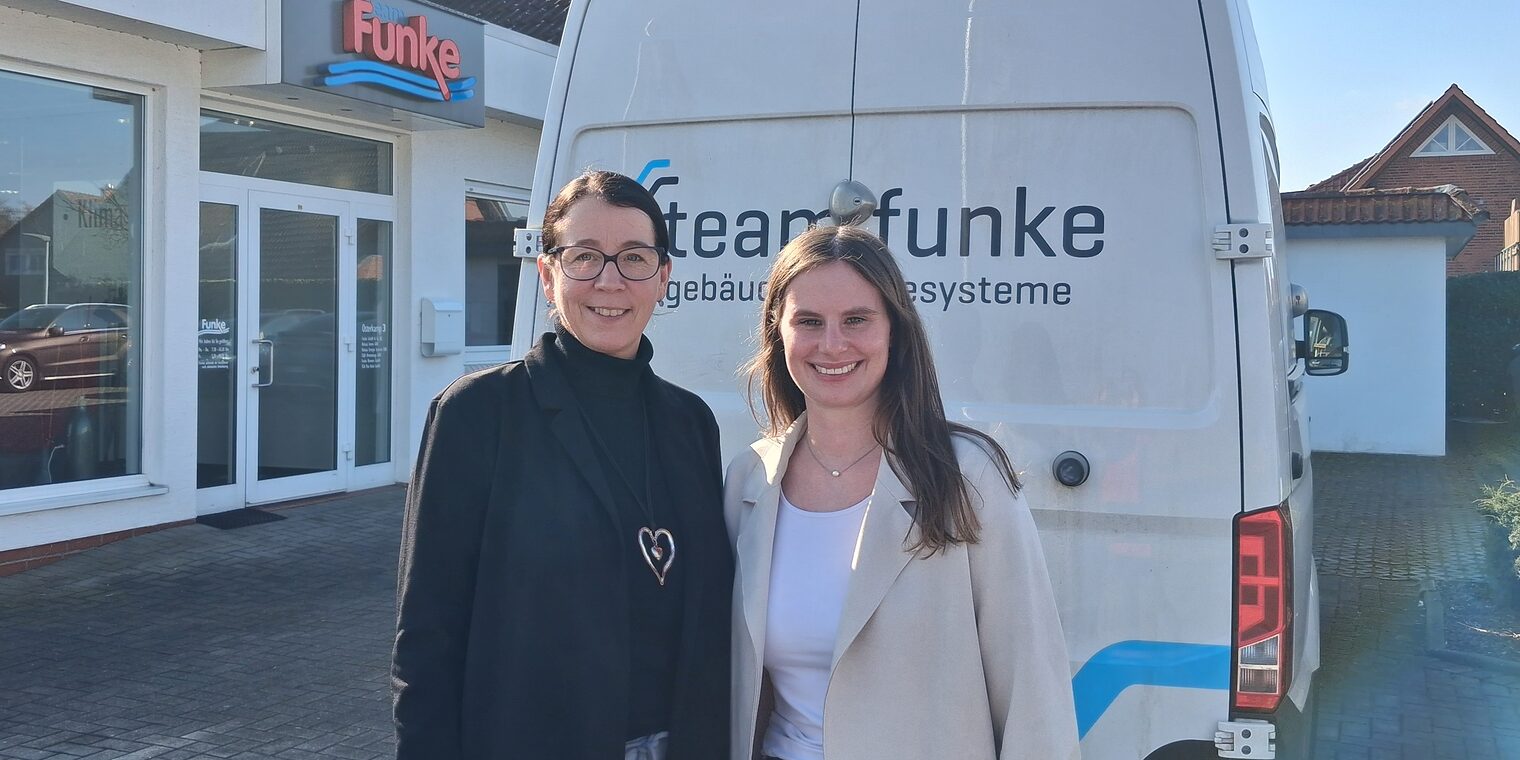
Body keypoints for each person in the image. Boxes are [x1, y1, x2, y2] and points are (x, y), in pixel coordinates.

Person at [392, 170, 732, 760]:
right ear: (548, 276)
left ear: (663, 278)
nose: (609, 279)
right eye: (583, 257)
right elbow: (427, 633)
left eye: (633, 257)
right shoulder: (478, 414)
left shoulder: (690, 422)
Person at [724, 225, 1080, 760]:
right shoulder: (750, 479)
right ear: (779, 333)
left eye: (857, 320)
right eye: (809, 322)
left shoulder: (968, 476)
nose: (832, 344)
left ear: (895, 329)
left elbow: (1032, 686)